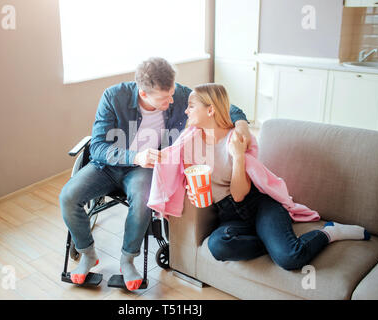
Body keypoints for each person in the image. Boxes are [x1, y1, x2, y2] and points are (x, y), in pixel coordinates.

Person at [59, 58, 251, 290]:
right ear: (143, 93)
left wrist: (241, 124)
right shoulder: (113, 97)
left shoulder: (177, 94)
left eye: (172, 93)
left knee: (144, 200)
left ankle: (127, 260)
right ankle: (87, 253)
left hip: (145, 169)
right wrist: (134, 156)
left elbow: (224, 106)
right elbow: (98, 147)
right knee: (68, 197)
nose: (172, 101)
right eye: (164, 98)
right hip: (107, 166)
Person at [183, 83, 370, 270]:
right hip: (230, 216)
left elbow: (239, 195)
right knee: (218, 246)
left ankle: (330, 232)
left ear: (210, 110)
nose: (186, 111)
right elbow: (196, 184)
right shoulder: (189, 143)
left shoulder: (237, 138)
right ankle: (272, 241)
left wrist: (238, 155)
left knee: (290, 258)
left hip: (260, 206)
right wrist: (193, 193)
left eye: (191, 106)